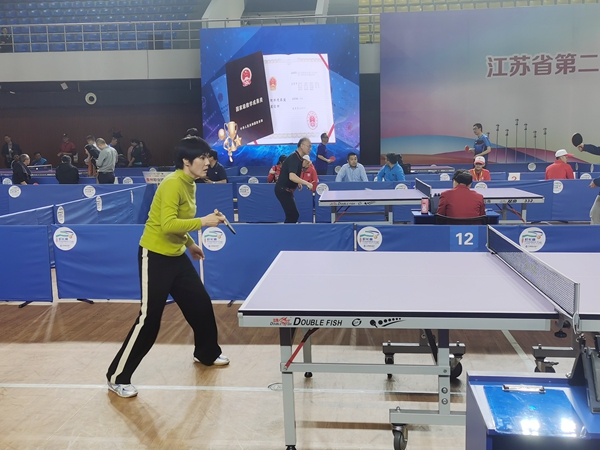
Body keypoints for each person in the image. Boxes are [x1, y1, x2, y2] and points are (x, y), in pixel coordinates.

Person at [106, 136, 229, 399]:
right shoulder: (173, 183)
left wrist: (189, 244)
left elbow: (178, 223)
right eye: (202, 158)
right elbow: (167, 224)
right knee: (149, 320)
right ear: (186, 161)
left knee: (200, 305)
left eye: (207, 157)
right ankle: (117, 377)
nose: (207, 162)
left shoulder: (190, 183)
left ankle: (206, 353)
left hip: (176, 256)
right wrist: (203, 222)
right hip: (155, 256)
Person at [275, 137, 314, 223]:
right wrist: (307, 183)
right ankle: (287, 231)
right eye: (309, 146)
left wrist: (298, 183)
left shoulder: (299, 158)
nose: (310, 149)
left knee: (293, 215)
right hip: (282, 190)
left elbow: (293, 174)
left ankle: (288, 230)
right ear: (302, 146)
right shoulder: (294, 158)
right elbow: (292, 176)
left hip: (286, 190)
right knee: (293, 215)